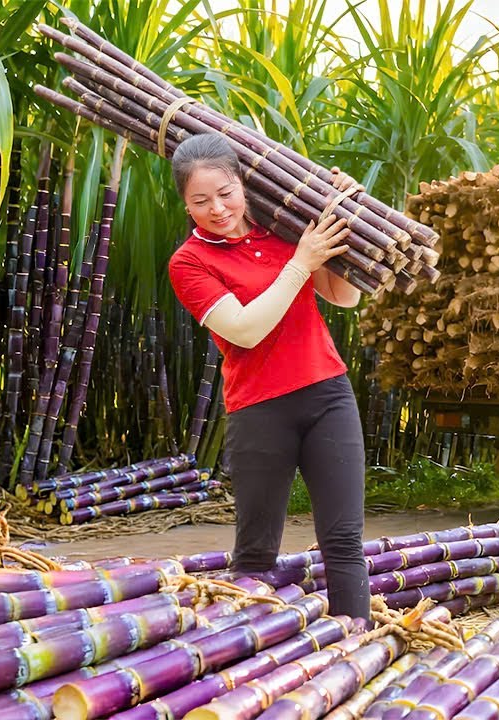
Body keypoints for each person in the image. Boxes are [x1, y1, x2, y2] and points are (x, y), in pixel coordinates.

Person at [166, 134, 370, 620]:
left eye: (226, 193)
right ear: (185, 205)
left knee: (343, 540)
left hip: (328, 394)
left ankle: (358, 643)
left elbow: (344, 298)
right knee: (257, 550)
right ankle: (252, 663)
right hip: (259, 411)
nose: (218, 208)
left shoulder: (280, 231)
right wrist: (301, 261)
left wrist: (345, 217)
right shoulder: (189, 262)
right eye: (201, 201)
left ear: (242, 184)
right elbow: (246, 329)